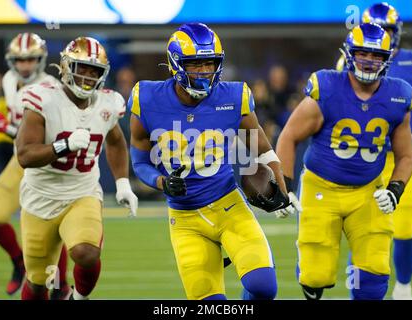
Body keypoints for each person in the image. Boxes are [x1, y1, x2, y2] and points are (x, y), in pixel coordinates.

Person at [129, 23, 300, 300]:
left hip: (228, 205)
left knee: (263, 287)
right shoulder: (147, 99)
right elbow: (139, 162)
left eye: (210, 63)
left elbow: (264, 151)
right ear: (176, 64)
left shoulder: (233, 97)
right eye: (196, 65)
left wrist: (282, 190)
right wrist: (162, 182)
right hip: (185, 219)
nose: (204, 72)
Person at [276, 23, 412, 300]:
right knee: (316, 275)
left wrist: (395, 189)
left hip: (368, 191)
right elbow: (288, 136)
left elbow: (406, 155)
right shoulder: (327, 87)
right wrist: (284, 188)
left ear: (388, 58)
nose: (370, 60)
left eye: (377, 55)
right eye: (364, 53)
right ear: (349, 53)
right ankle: (310, 275)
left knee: (375, 272)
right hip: (322, 189)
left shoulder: (398, 94)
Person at [15, 36, 138, 300]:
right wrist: (63, 145)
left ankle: (77, 298)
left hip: (81, 194)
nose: (88, 76)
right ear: (66, 66)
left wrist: (122, 183)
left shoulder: (108, 104)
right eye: (82, 68)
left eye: (94, 71)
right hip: (40, 198)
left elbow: (116, 141)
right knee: (41, 283)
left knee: (87, 252)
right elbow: (25, 155)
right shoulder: (43, 99)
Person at [336, 3, 412, 299]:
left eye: (387, 31)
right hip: (366, 160)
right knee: (363, 234)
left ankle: (403, 287)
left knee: (403, 231)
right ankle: (358, 295)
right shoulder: (344, 65)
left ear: (397, 33)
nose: (380, 39)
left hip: (402, 159)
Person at [0, 33, 71, 299]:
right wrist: (6, 126)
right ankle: (19, 262)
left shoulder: (52, 87)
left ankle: (60, 284)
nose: (25, 66)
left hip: (46, 164)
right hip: (20, 160)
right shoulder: (9, 81)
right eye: (20, 60)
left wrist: (3, 126)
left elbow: (47, 138)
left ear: (41, 60)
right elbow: (21, 136)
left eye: (31, 59)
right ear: (12, 61)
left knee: (52, 228)